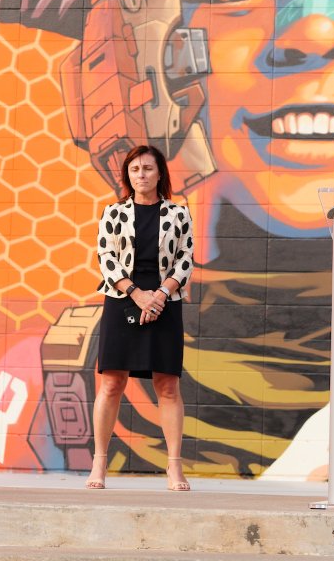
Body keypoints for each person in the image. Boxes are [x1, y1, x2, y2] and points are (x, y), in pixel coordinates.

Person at [87, 144, 195, 491]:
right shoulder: (113, 212)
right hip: (123, 299)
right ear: (127, 176)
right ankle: (99, 464)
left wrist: (160, 295)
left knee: (167, 385)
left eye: (148, 169)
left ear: (160, 173)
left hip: (165, 301)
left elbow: (185, 258)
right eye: (135, 170)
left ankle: (174, 467)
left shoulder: (179, 214)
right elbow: (105, 256)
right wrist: (136, 293)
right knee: (112, 383)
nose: (141, 175)